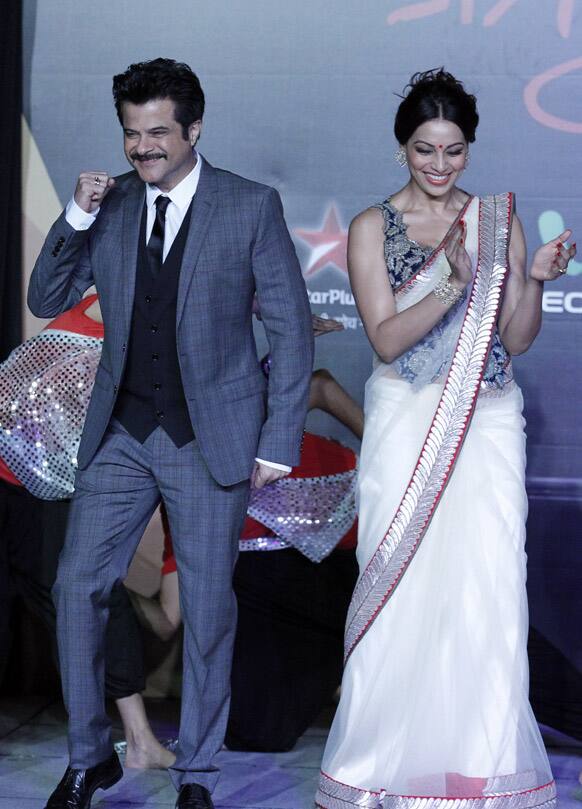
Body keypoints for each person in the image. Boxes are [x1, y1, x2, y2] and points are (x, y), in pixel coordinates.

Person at [28, 58, 313, 809]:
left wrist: (279, 437)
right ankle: (91, 756)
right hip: (120, 431)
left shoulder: (249, 206)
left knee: (211, 611)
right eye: (131, 133)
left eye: (158, 132)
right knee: (76, 584)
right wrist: (78, 215)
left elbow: (289, 329)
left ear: (194, 129)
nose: (143, 147)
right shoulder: (113, 205)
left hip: (208, 435)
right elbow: (46, 293)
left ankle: (198, 773)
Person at [315, 69, 575, 809]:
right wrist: (449, 284)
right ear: (403, 148)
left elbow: (516, 339)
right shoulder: (372, 226)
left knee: (486, 591)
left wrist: (536, 280)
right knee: (402, 589)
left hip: (487, 420)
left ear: (469, 149)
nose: (439, 165)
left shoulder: (496, 220)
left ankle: (476, 769)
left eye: (453, 151)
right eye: (425, 149)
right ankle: (380, 765)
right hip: (407, 420)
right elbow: (387, 339)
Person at [130, 345, 364, 752]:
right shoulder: (178, 494)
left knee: (258, 727)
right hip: (259, 585)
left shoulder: (235, 413)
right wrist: (100, 589)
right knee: (257, 733)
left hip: (334, 569)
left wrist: (394, 450)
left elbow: (321, 388)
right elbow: (169, 617)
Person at [0, 294, 174, 769]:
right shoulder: (115, 298)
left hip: (44, 482)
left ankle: (138, 738)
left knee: (91, 593)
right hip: (16, 464)